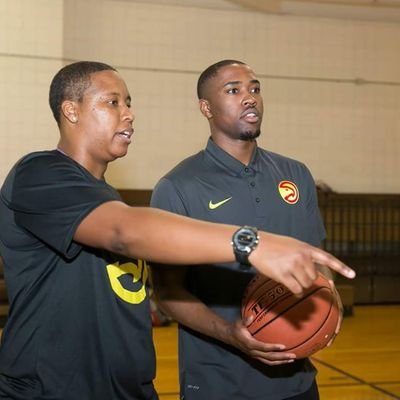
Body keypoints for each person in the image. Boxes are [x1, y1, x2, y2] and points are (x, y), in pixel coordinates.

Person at [0, 61, 354, 400]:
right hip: (51, 391)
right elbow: (125, 231)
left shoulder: (105, 197)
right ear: (71, 111)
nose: (129, 113)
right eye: (112, 102)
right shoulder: (38, 174)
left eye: (128, 103)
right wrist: (251, 242)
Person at [150, 60, 345, 400]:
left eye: (254, 88)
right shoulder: (178, 187)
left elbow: (314, 260)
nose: (249, 97)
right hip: (218, 384)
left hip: (296, 380)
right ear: (206, 107)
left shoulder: (296, 174)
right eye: (233, 90)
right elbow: (167, 293)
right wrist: (229, 333)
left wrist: (328, 294)